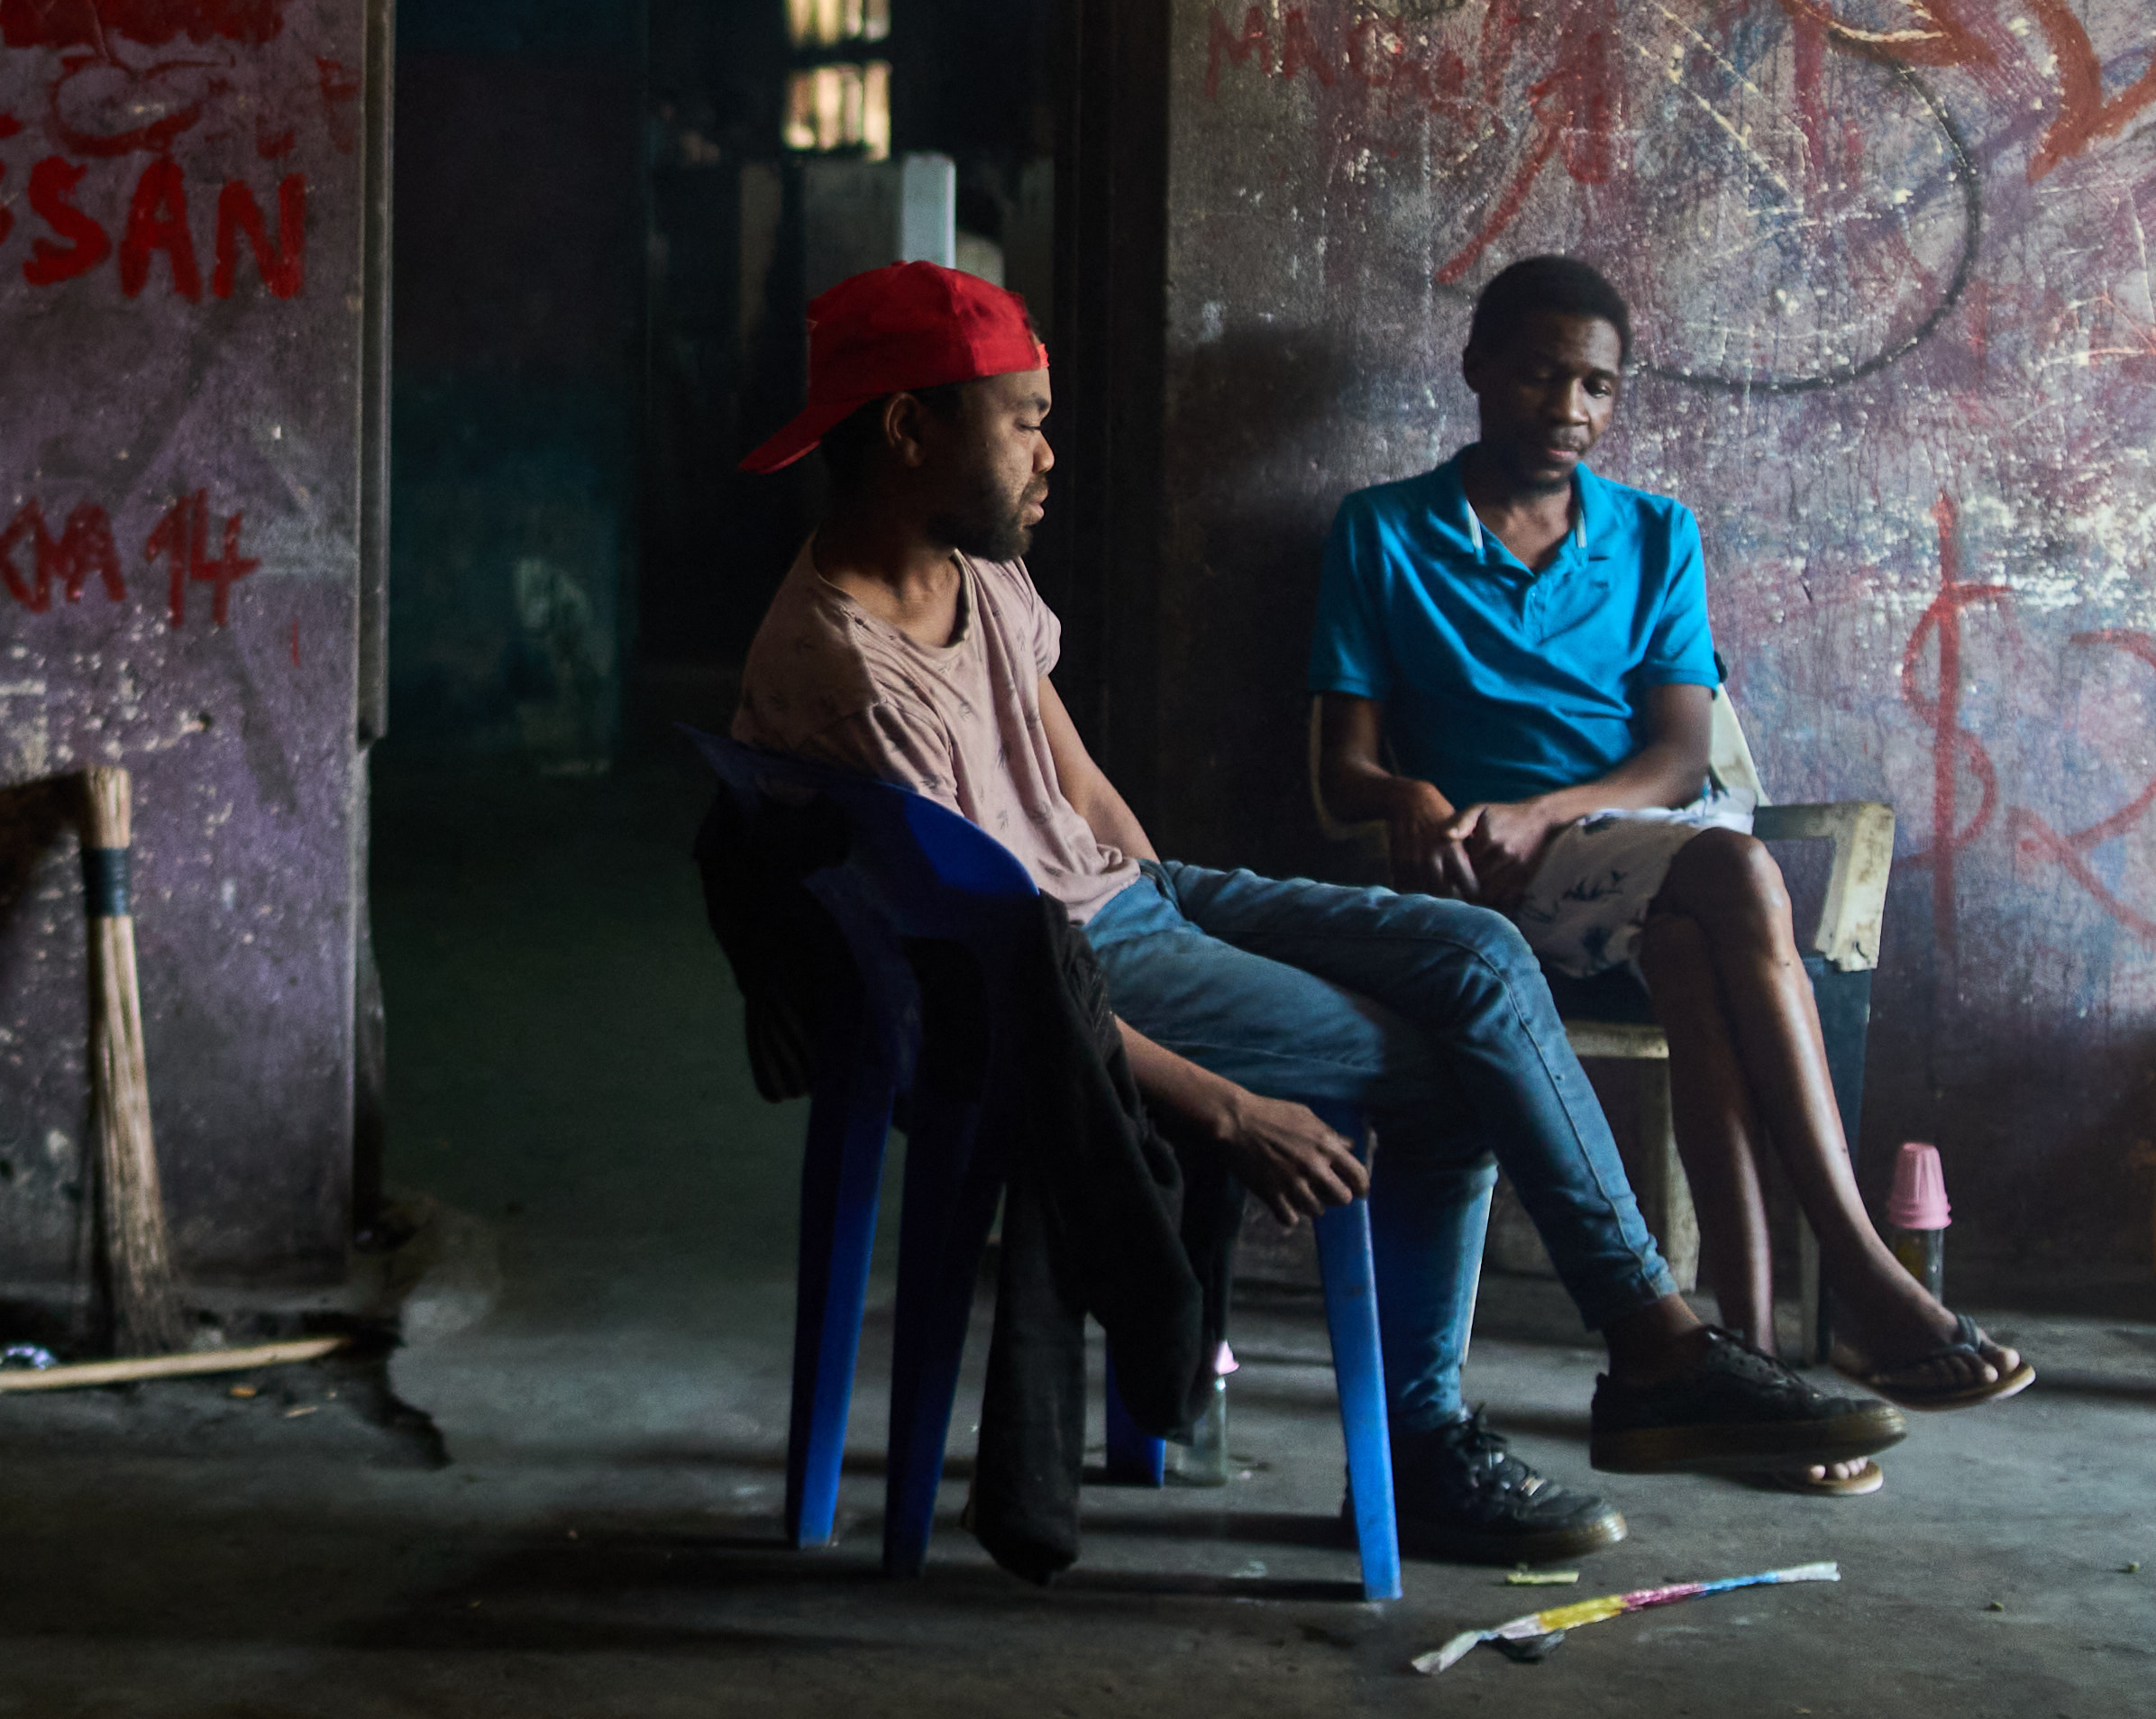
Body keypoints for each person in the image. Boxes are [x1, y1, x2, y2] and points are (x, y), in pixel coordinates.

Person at [729, 260, 1903, 1565]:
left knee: (1474, 952)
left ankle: (1647, 1341)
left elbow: (1067, 773)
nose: (1048, 453)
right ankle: (1445, 1436)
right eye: (1021, 420)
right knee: (1455, 1079)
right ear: (906, 431)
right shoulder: (844, 674)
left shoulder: (970, 562)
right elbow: (989, 985)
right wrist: (1220, 1104)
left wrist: (1174, 901)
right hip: (1050, 976)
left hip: (1128, 907)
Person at [1304, 256, 2030, 1425]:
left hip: (1632, 848)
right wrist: (1411, 799)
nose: (1566, 410)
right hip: (1492, 885)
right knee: (1731, 872)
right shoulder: (1381, 532)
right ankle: (1851, 1274)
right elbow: (1337, 773)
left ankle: (1742, 1361)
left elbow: (1678, 759)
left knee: (1702, 936)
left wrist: (1550, 807)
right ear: (1475, 368)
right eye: (1539, 376)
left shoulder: (1653, 534)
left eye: (1594, 386)